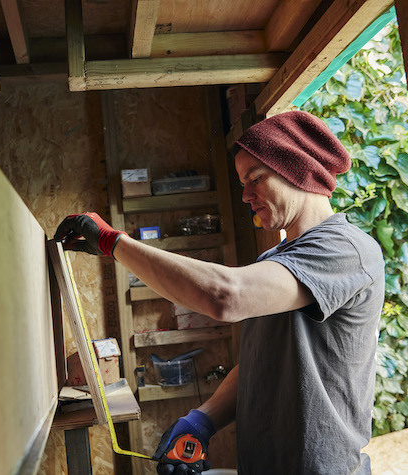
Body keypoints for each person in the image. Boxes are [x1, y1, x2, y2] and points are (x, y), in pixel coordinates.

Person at [55, 111, 385, 474]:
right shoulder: (274, 259)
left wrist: (113, 242)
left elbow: (226, 296)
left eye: (255, 178)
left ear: (299, 169)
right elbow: (262, 363)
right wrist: (202, 420)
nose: (245, 195)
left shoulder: (347, 249)